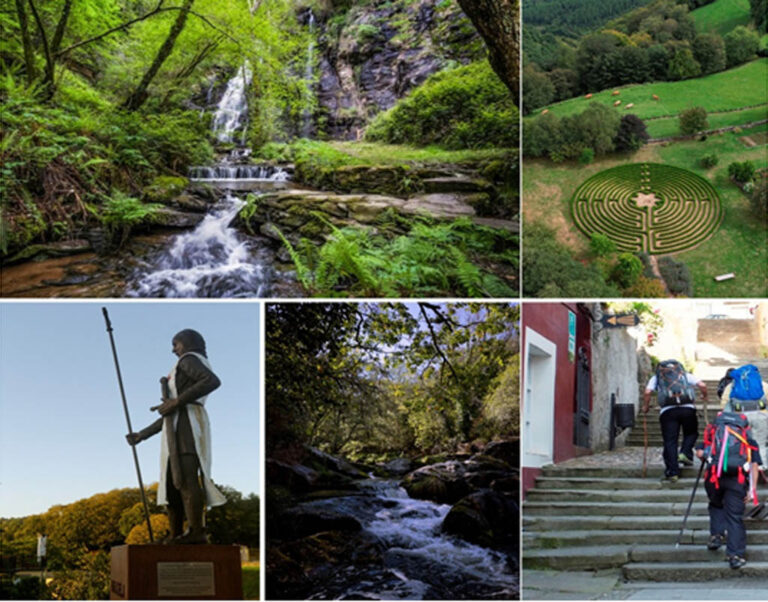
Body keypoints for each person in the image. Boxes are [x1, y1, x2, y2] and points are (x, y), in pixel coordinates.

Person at [127, 329, 227, 543]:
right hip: (176, 426)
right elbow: (169, 415)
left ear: (188, 342)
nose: (173, 350)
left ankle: (197, 531)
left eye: (176, 344)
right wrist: (142, 435)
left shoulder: (188, 360)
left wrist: (177, 401)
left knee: (186, 478)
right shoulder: (183, 365)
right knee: (172, 484)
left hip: (187, 426)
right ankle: (175, 534)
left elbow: (211, 381)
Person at [696, 413, 761, 570]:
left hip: (713, 478)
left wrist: (709, 457)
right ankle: (735, 555)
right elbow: (754, 465)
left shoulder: (713, 434)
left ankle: (716, 535)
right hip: (737, 480)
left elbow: (699, 453)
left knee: (716, 504)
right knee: (734, 517)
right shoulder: (748, 439)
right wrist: (752, 490)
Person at [643, 359, 707, 482]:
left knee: (670, 441)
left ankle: (673, 472)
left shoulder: (657, 377)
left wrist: (645, 406)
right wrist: (704, 396)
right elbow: (702, 385)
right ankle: (684, 452)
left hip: (668, 411)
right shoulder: (685, 375)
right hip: (688, 409)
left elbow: (647, 392)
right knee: (691, 433)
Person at [720, 365, 768, 466]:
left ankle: (742, 467)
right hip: (760, 416)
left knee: (740, 444)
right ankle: (761, 468)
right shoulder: (763, 385)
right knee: (760, 444)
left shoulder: (732, 385)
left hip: (739, 418)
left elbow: (724, 405)